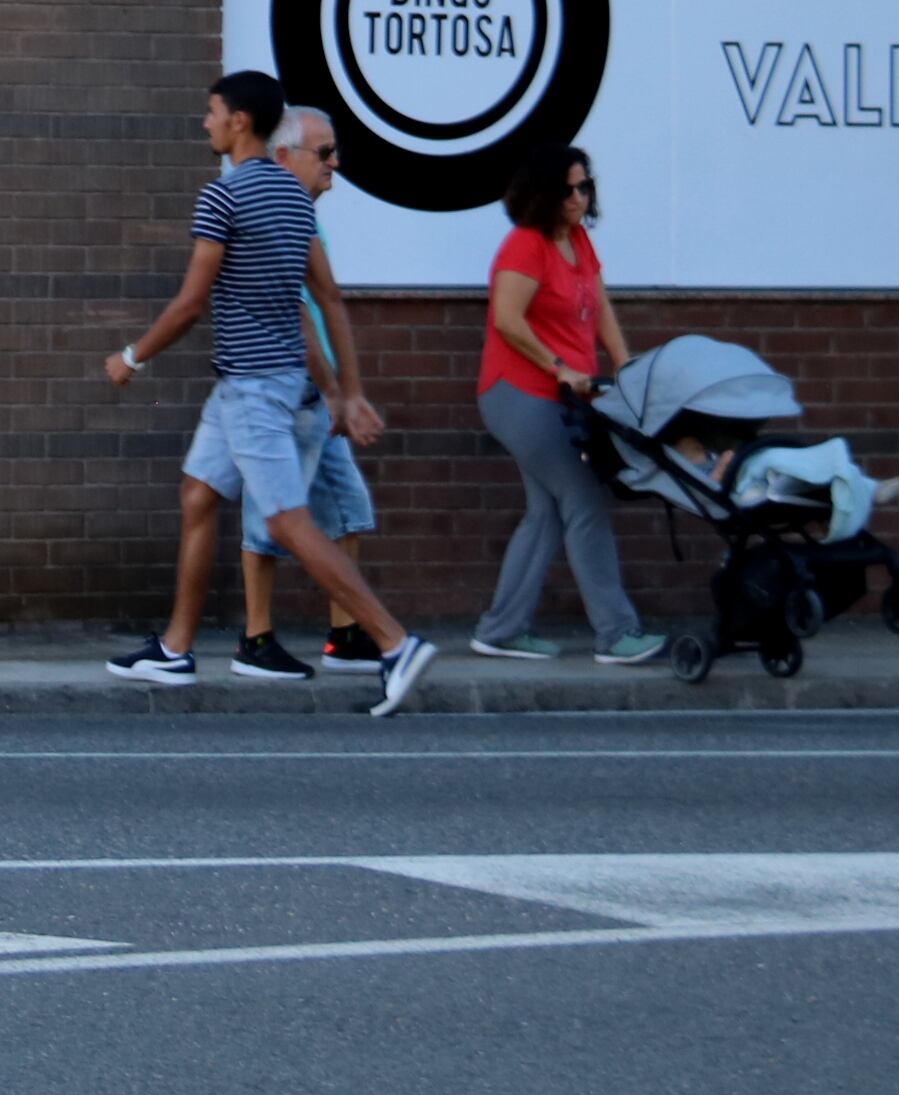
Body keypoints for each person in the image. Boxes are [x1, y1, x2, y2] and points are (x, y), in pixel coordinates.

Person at [100, 70, 438, 715]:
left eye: (212, 113)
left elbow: (192, 303)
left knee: (287, 520)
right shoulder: (292, 196)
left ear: (240, 123)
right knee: (198, 495)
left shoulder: (222, 197)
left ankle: (395, 642)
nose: (206, 123)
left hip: (255, 390)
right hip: (258, 384)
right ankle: (175, 650)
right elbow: (328, 298)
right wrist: (350, 391)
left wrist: (132, 358)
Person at [469, 145, 665, 665]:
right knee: (583, 499)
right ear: (543, 193)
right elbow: (508, 320)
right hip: (520, 395)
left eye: (585, 187)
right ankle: (616, 633)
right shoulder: (525, 246)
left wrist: (625, 368)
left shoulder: (576, 239)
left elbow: (597, 305)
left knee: (546, 513)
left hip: (564, 395)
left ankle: (501, 628)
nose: (579, 197)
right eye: (569, 189)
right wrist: (560, 367)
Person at [241, 106, 387, 678]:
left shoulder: (305, 215)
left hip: (316, 394)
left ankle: (345, 634)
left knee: (348, 509)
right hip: (287, 389)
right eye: (324, 154)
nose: (335, 164)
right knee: (271, 514)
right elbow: (296, 309)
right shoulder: (278, 216)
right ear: (285, 157)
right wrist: (332, 388)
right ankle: (255, 639)